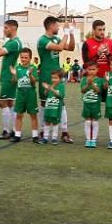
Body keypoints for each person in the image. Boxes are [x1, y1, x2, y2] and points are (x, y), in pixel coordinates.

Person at [37, 15, 76, 144]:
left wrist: (71, 33)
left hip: (57, 76)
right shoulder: (42, 40)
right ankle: (43, 131)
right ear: (51, 26)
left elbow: (70, 47)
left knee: (61, 102)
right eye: (57, 25)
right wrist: (65, 33)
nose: (58, 27)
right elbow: (59, 48)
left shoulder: (56, 38)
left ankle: (64, 132)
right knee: (44, 103)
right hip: (45, 76)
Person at [0, 20, 22, 140]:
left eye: (6, 28)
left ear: (13, 28)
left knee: (2, 103)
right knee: (9, 103)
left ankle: (7, 131)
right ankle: (14, 130)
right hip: (9, 76)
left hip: (9, 77)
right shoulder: (14, 42)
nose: (4, 30)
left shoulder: (13, 43)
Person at [11, 47, 40, 143]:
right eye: (22, 57)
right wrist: (14, 74)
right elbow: (14, 82)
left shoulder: (33, 68)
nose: (23, 59)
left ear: (30, 58)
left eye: (26, 57)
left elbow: (33, 83)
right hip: (20, 94)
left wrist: (30, 74)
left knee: (33, 115)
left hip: (31, 94)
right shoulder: (17, 68)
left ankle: (35, 136)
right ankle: (17, 135)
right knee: (19, 115)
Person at [80, 62, 104, 148]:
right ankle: (88, 139)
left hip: (95, 105)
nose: (91, 71)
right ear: (87, 70)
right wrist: (87, 84)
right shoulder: (84, 79)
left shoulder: (100, 80)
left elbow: (99, 91)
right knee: (87, 121)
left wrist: (92, 83)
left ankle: (93, 140)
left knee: (94, 121)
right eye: (89, 69)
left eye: (93, 69)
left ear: (97, 70)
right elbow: (82, 90)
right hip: (87, 105)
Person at [40, 69, 66, 146]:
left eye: (55, 78)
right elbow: (45, 94)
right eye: (52, 78)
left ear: (60, 79)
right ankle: (45, 138)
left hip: (56, 109)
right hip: (48, 108)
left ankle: (54, 138)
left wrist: (52, 89)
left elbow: (60, 95)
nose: (53, 80)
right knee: (47, 122)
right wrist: (47, 89)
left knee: (55, 123)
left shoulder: (61, 86)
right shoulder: (50, 86)